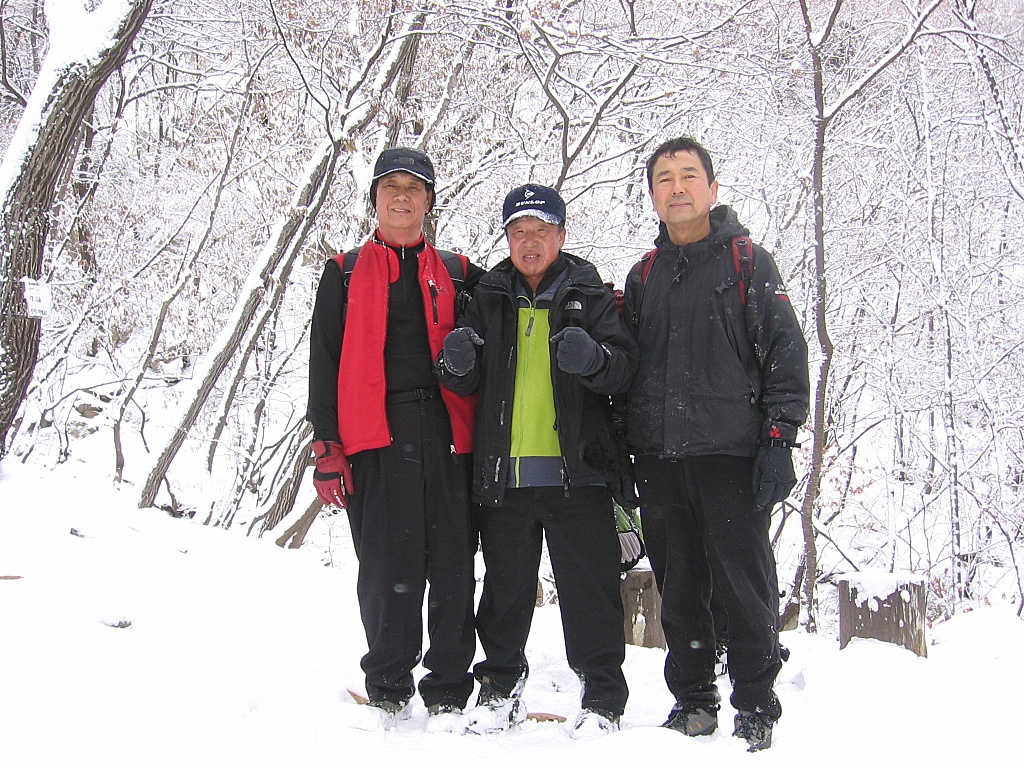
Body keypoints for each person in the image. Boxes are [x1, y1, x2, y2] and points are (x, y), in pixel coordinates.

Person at [622, 137, 809, 751]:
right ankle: (694, 700)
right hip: (659, 457)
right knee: (678, 588)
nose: (677, 187)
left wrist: (779, 438)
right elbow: (626, 368)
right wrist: (621, 448)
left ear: (712, 187)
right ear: (653, 195)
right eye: (664, 178)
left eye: (688, 175)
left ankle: (755, 703)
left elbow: (785, 353)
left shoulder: (748, 262)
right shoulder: (644, 276)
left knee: (744, 583)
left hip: (731, 455)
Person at [436, 184, 638, 740]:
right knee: (504, 593)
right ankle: (500, 689)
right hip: (505, 476)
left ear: (561, 235)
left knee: (589, 592)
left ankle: (602, 698)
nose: (530, 242)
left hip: (579, 474)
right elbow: (462, 377)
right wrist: (454, 364)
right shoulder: (488, 295)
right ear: (507, 238)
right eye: (519, 231)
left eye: (541, 230)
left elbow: (624, 369)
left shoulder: (590, 293)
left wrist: (594, 359)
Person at [306, 147, 485, 733]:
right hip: (374, 434)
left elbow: (511, 315)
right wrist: (327, 449)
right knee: (385, 566)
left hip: (448, 433)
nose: (402, 197)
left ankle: (449, 688)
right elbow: (323, 363)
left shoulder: (459, 273)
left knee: (452, 563)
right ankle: (387, 685)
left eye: (414, 188)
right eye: (391, 187)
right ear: (375, 199)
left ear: (429, 201)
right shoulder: (342, 272)